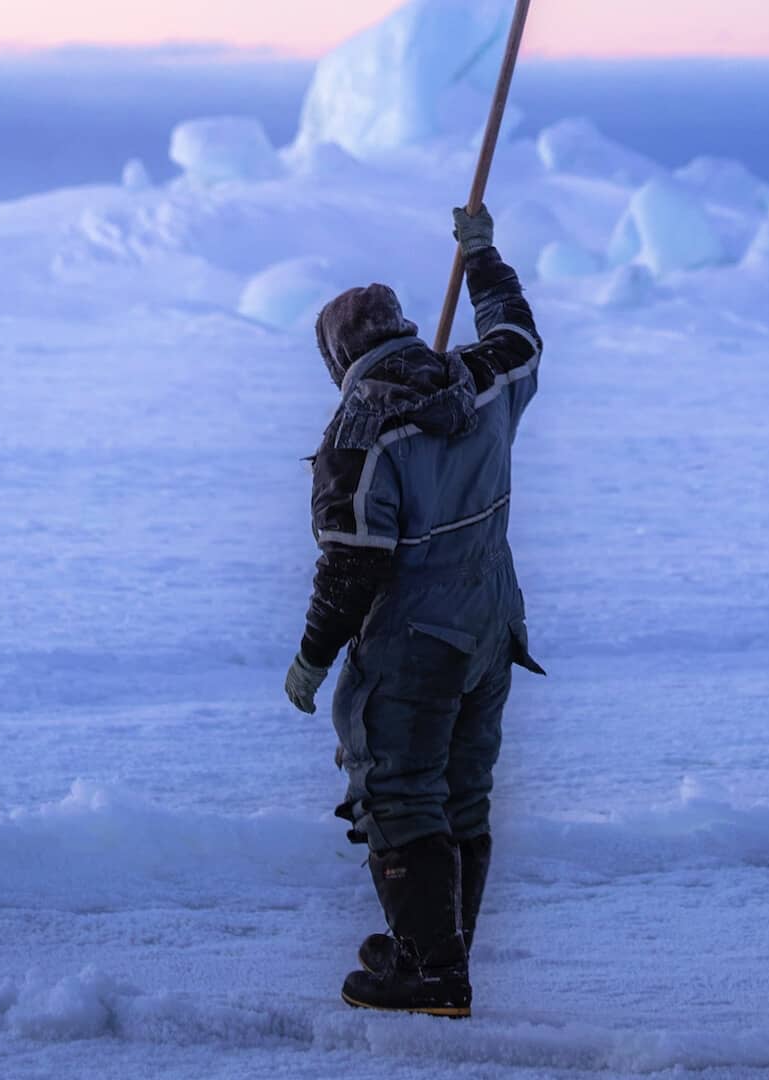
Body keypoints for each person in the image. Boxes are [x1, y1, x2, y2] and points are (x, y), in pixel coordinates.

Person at [284, 204, 544, 1018]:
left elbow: (353, 565)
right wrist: (484, 261)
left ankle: (432, 973)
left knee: (399, 794)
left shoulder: (357, 437)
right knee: (463, 794)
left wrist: (313, 658)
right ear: (401, 330)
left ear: (339, 362)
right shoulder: (481, 378)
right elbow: (521, 336)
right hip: (490, 626)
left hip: (415, 644)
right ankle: (436, 947)